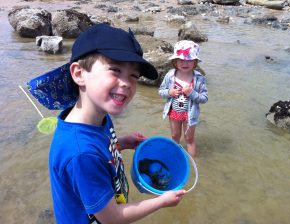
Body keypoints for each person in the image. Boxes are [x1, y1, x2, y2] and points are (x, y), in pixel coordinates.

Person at [27, 24, 186, 224]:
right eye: (115, 70)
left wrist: (120, 143)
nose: (127, 83)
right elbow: (112, 217)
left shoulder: (98, 116)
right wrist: (162, 201)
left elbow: (98, 149)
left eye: (134, 76)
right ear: (78, 74)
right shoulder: (81, 154)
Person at [158, 40, 208, 158]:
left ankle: (193, 164)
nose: (184, 63)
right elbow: (161, 91)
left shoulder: (199, 78)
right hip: (174, 112)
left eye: (189, 60)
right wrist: (169, 92)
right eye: (180, 60)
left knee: (189, 138)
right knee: (175, 136)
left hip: (190, 114)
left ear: (195, 61)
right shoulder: (170, 75)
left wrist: (191, 93)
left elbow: (204, 98)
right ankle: (174, 158)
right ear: (175, 61)